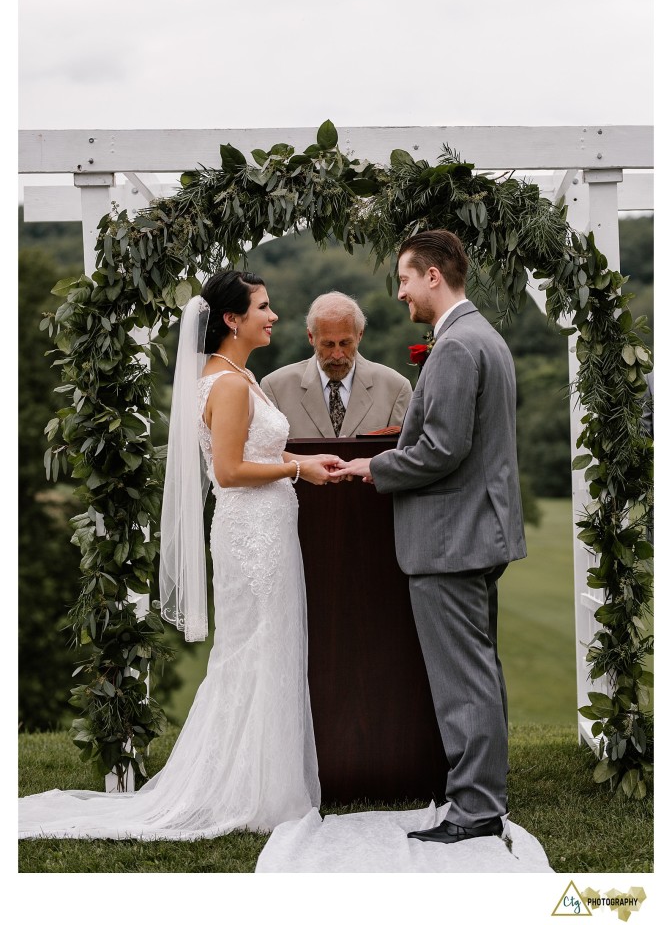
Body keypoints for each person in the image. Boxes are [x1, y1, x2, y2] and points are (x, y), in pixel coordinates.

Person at [19, 270, 345, 840]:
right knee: (255, 651)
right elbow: (229, 471)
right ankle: (244, 789)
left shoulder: (236, 375)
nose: (273, 317)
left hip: (263, 528)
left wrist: (306, 459)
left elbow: (253, 446)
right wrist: (299, 469)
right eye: (263, 308)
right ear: (231, 319)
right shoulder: (229, 384)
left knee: (264, 649)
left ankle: (258, 781)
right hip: (253, 535)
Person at [332, 229, 527, 845]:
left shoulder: (455, 348)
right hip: (477, 532)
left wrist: (375, 465)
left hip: (450, 539)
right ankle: (482, 799)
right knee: (480, 673)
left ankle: (474, 810)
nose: (401, 291)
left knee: (463, 680)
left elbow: (443, 449)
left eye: (406, 278)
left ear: (434, 277)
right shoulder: (484, 338)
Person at [260, 291, 412, 439]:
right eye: (328, 344)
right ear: (311, 337)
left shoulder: (396, 389)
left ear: (360, 335)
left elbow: (402, 457)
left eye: (345, 343)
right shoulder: (276, 389)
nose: (337, 354)